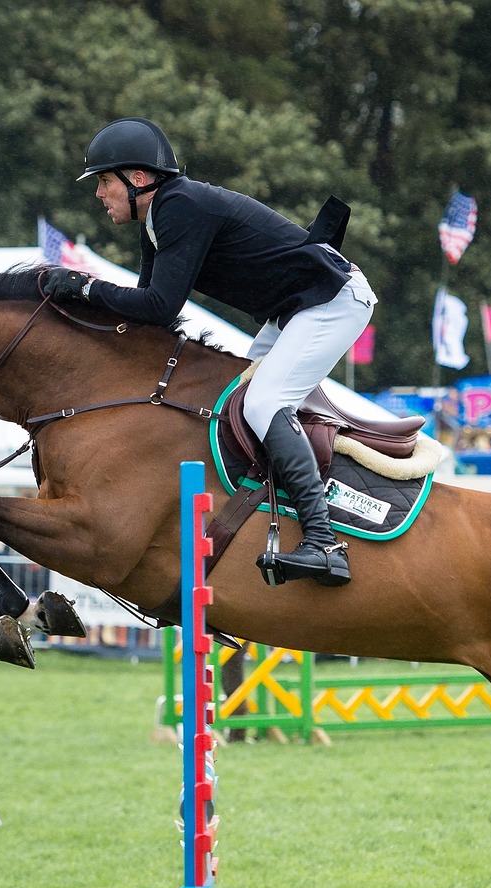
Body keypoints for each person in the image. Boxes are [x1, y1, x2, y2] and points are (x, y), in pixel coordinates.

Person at [42, 117, 373, 587]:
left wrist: (85, 287)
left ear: (138, 180)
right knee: (229, 398)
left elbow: (159, 307)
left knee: (263, 402)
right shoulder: (158, 218)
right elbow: (146, 317)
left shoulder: (179, 206)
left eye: (102, 181)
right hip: (294, 310)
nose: (98, 194)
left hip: (332, 301)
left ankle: (324, 543)